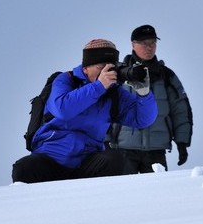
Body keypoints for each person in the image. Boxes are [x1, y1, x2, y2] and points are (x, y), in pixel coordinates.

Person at [12, 39, 158, 183]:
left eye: (111, 66)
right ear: (85, 68)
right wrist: (99, 86)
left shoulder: (114, 93)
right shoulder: (66, 80)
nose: (106, 72)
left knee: (116, 160)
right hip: (51, 156)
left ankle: (94, 203)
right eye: (101, 66)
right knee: (23, 168)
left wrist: (144, 94)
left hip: (86, 160)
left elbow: (142, 119)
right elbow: (63, 110)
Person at [109, 25, 193, 173]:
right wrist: (104, 141)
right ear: (133, 45)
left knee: (157, 195)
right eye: (144, 43)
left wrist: (182, 142)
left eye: (152, 42)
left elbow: (180, 110)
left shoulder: (167, 76)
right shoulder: (119, 75)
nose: (149, 47)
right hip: (123, 150)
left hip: (156, 151)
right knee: (123, 194)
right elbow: (104, 109)